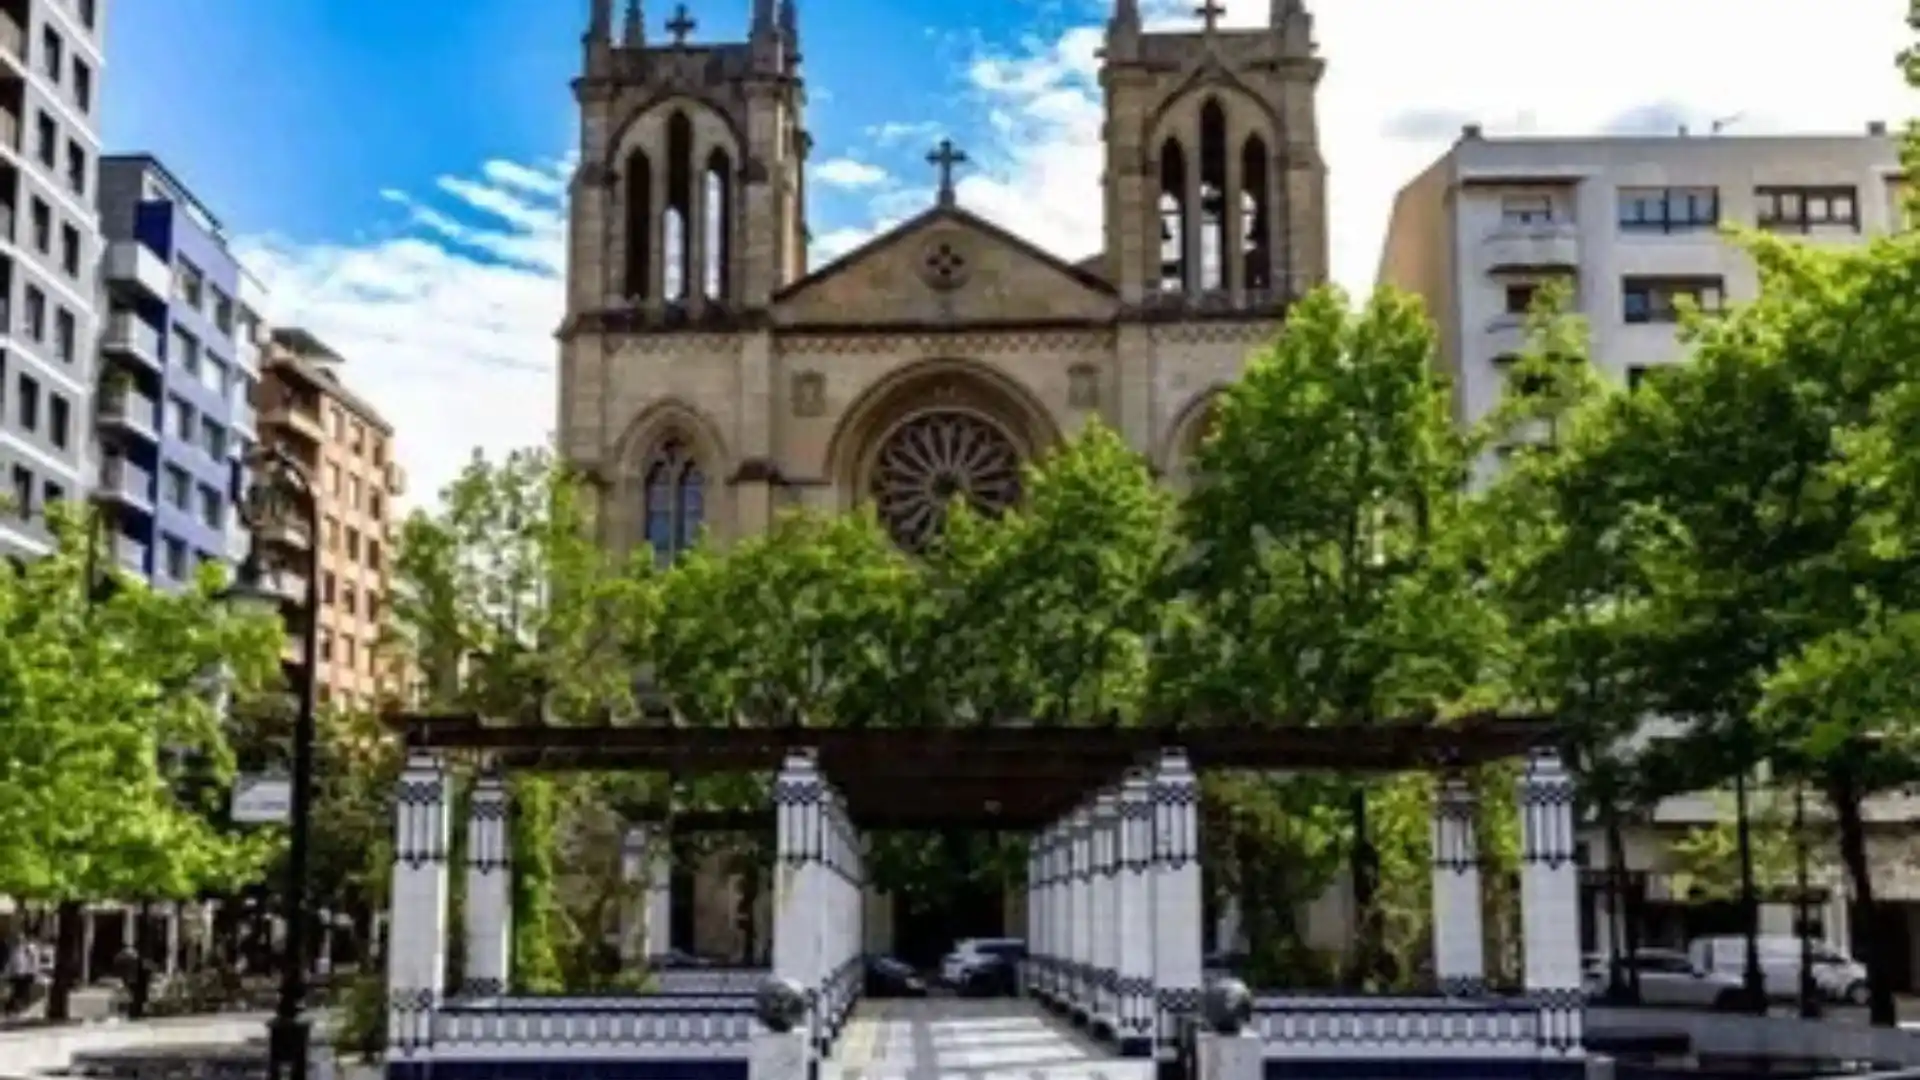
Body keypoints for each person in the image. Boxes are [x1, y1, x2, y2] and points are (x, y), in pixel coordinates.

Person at [6, 937, 37, 1014]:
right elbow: (12, 962)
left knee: (23, 991)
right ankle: (13, 1006)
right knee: (18, 991)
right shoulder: (16, 951)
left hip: (26, 973)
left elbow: (33, 962)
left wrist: (33, 972)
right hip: (18, 974)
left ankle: (19, 1006)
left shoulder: (29, 950)